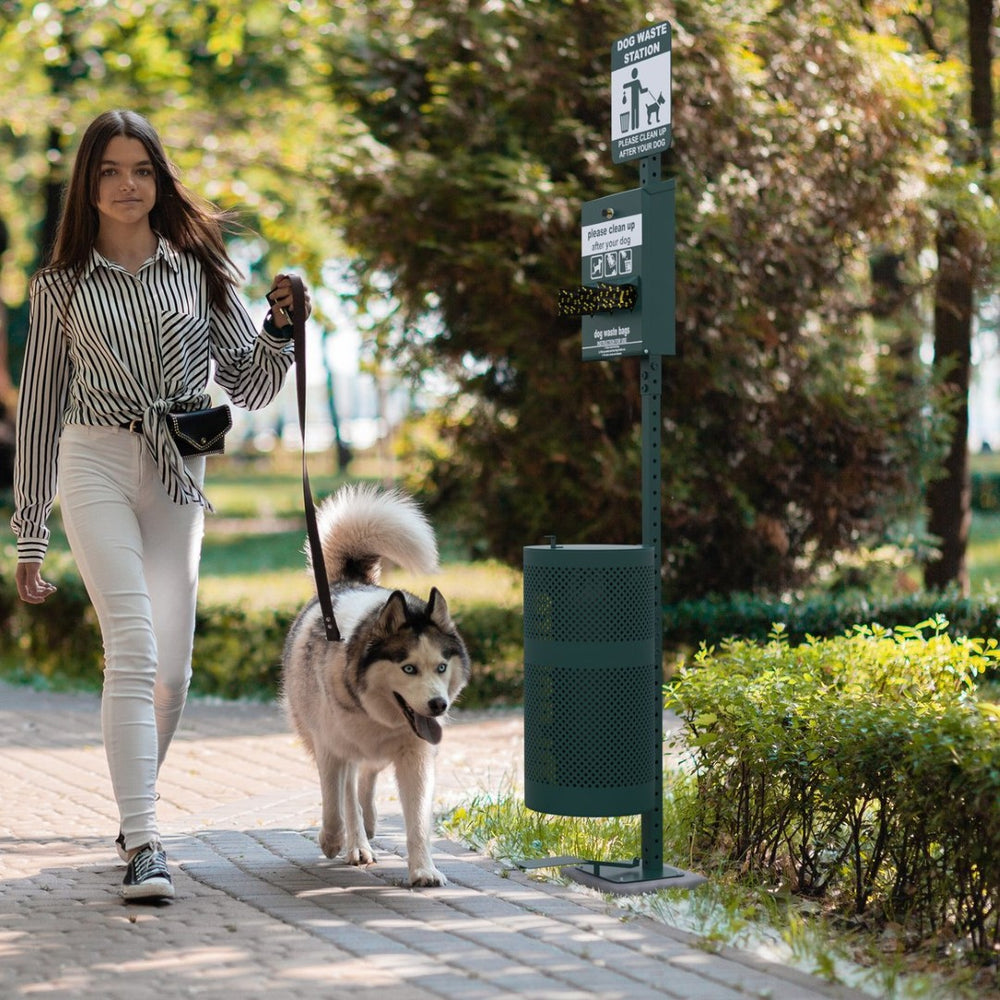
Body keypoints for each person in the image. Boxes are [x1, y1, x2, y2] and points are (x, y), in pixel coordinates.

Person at [10, 109, 310, 903]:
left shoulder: (200, 269)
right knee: (135, 649)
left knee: (172, 672)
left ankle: (130, 809)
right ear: (88, 182)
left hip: (178, 469)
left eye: (141, 169)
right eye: (109, 170)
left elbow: (246, 384)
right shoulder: (61, 287)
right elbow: (39, 410)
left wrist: (280, 328)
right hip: (95, 459)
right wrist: (30, 534)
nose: (126, 185)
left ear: (158, 178)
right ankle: (145, 840)